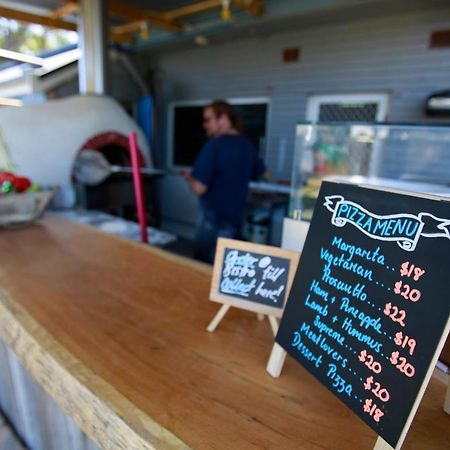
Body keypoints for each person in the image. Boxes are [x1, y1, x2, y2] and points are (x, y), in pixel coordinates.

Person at [184, 100, 268, 263]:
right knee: (227, 271)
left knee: (202, 269)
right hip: (236, 222)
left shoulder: (213, 147)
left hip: (212, 223)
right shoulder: (247, 145)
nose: (205, 125)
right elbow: (264, 175)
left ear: (223, 119)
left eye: (208, 120)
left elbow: (199, 188)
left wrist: (189, 178)